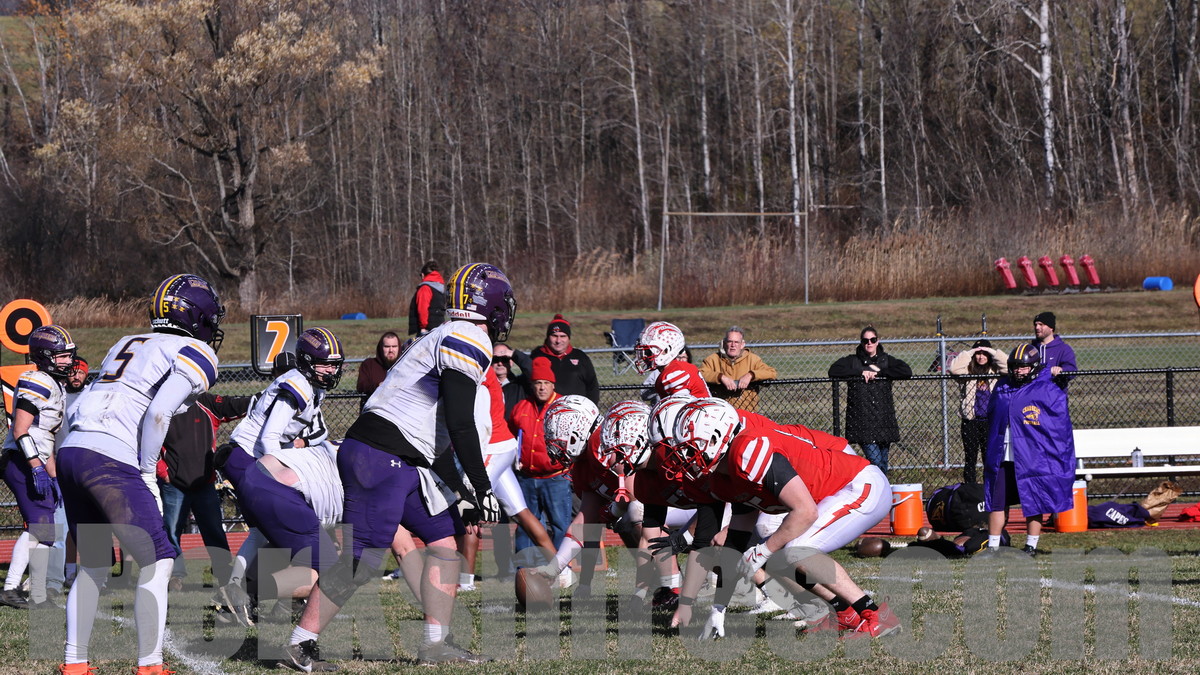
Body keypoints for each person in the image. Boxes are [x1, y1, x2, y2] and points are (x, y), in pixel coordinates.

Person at [279, 262, 513, 670]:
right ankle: (300, 644)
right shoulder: (469, 336)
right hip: (382, 457)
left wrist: (463, 491)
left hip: (399, 458)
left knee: (444, 541)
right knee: (362, 559)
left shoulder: (443, 334)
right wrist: (482, 485)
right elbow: (460, 422)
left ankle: (435, 643)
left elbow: (432, 436)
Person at [57, 273, 224, 675]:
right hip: (110, 459)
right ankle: (150, 665)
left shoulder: (125, 342)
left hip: (73, 449)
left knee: (93, 565)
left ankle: (74, 664)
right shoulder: (195, 350)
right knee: (159, 561)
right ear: (198, 316)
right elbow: (159, 412)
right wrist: (148, 471)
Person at [662, 398, 899, 639]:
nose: (685, 457)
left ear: (717, 438)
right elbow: (734, 547)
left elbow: (805, 512)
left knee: (795, 551)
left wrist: (763, 551)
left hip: (858, 485)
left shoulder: (747, 451)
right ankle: (844, 613)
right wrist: (718, 609)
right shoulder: (724, 477)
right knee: (775, 557)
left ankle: (876, 615)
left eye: (690, 448)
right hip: (827, 497)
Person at [1, 325, 76, 611]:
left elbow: (47, 441)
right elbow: (20, 430)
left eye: (68, 355)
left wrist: (54, 477)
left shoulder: (56, 385)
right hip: (21, 460)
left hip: (36, 459)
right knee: (41, 526)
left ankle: (34, 591)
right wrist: (36, 467)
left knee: (47, 532)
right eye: (62, 356)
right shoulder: (37, 380)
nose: (68, 361)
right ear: (45, 357)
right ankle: (11, 589)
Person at [982, 344, 1075, 557]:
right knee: (997, 500)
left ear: (1033, 367)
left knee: (1033, 499)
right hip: (1003, 453)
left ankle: (1031, 545)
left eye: (1023, 367)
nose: (1019, 371)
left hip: (1032, 455)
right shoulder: (1003, 386)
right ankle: (993, 546)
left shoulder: (1046, 388)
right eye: (1015, 367)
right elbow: (993, 415)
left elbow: (1057, 423)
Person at [157, 391, 253, 594]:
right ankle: (174, 575)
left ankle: (223, 572)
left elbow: (235, 404)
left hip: (204, 482)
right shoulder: (162, 405)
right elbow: (146, 439)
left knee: (214, 530)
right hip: (174, 483)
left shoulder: (206, 402)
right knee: (171, 531)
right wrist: (162, 471)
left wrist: (264, 397)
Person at [508, 358, 572, 572]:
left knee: (560, 524)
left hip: (556, 477)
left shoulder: (564, 407)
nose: (542, 387)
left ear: (553, 385)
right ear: (532, 385)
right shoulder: (521, 408)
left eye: (546, 383)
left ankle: (561, 568)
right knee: (526, 525)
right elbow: (510, 435)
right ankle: (524, 570)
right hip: (526, 477)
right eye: (537, 383)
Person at [827, 326, 912, 475]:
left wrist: (880, 372)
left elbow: (906, 371)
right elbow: (833, 371)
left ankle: (882, 488)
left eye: (872, 340)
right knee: (875, 461)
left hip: (884, 419)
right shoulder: (853, 361)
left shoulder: (886, 360)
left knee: (883, 462)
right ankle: (879, 486)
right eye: (865, 341)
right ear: (861, 342)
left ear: (877, 341)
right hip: (862, 421)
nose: (869, 343)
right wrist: (860, 372)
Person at [948, 339, 1008, 483]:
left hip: (990, 421)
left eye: (984, 353)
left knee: (989, 457)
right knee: (970, 458)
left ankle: (990, 487)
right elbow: (954, 369)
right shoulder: (968, 371)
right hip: (971, 421)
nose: (981, 357)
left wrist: (992, 352)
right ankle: (970, 487)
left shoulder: (996, 371)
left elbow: (1008, 366)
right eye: (978, 353)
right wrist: (970, 352)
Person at [699, 326, 778, 412]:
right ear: (724, 343)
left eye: (736, 342)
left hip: (747, 412)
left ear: (742, 344)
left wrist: (751, 375)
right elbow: (700, 374)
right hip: (720, 412)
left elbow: (771, 373)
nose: (733, 345)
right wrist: (720, 377)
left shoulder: (752, 359)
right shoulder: (713, 359)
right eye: (730, 341)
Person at [530, 314, 600, 403]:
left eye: (563, 336)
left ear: (568, 338)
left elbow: (592, 387)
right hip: (547, 409)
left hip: (577, 408)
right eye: (554, 336)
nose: (558, 341)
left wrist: (591, 407)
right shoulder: (537, 356)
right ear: (548, 337)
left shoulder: (580, 356)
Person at [635, 321, 710, 399]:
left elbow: (681, 404)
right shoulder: (672, 369)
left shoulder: (675, 372)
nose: (645, 356)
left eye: (648, 351)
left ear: (667, 350)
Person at [1033, 311, 1077, 390]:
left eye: (1041, 324)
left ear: (1051, 328)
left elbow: (1072, 369)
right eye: (1035, 325)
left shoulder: (1064, 349)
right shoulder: (1031, 349)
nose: (1037, 327)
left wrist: (1062, 370)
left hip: (1055, 394)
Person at [355, 331, 401, 399]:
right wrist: (378, 386)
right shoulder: (369, 364)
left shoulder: (405, 366)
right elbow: (361, 386)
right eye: (387, 346)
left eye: (394, 346)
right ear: (381, 348)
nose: (391, 350)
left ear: (399, 348)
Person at [408, 260, 446, 336]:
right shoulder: (440, 287)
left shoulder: (425, 288)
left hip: (427, 328)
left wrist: (423, 327)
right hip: (439, 325)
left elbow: (423, 308)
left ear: (423, 275)